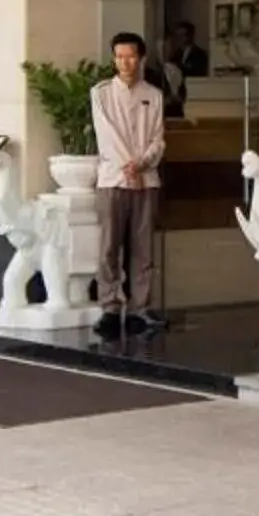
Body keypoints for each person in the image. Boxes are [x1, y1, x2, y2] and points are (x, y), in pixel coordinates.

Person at [90, 32, 166, 339]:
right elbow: (105, 134)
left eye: (131, 56)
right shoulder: (102, 93)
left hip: (146, 180)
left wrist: (142, 163)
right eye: (119, 56)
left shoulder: (154, 94)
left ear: (141, 58)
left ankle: (141, 307)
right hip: (113, 178)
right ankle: (110, 306)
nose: (125, 62)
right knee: (109, 246)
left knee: (143, 247)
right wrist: (128, 165)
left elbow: (158, 138)